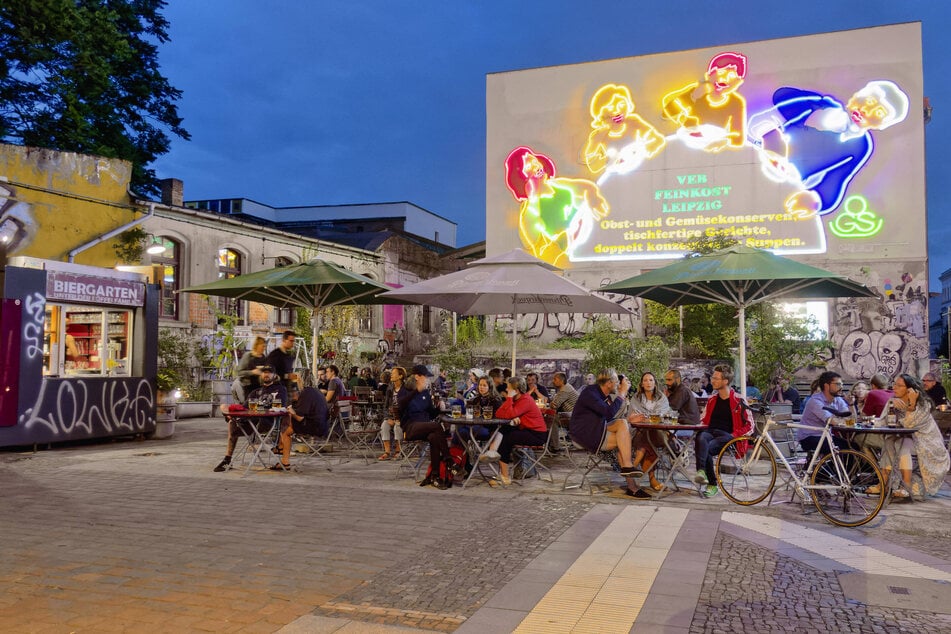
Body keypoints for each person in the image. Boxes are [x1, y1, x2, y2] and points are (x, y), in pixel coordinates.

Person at [749, 80, 909, 219]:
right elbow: (781, 97)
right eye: (868, 100)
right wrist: (818, 105)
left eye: (879, 112)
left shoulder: (861, 146)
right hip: (757, 157)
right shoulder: (824, 105)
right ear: (857, 95)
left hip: (789, 179)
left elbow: (838, 178)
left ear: (882, 125)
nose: (867, 110)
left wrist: (816, 200)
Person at [569, 368, 649, 499]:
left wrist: (629, 420)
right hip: (585, 435)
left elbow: (608, 417)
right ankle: (632, 485)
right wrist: (622, 393)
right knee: (622, 441)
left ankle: (628, 468)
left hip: (596, 429)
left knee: (623, 424)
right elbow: (608, 413)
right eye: (617, 382)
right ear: (609, 383)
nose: (618, 385)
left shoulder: (601, 395)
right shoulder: (590, 392)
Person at [873, 374, 950, 499]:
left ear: (910, 389)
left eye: (899, 385)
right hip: (905, 438)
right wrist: (867, 422)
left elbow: (909, 425)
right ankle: (883, 483)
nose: (895, 388)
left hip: (927, 442)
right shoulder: (893, 401)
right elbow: (882, 421)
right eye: (894, 384)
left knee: (903, 445)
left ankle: (906, 486)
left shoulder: (923, 404)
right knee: (889, 442)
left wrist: (912, 404)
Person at [661, 51, 748, 153]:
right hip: (685, 143)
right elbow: (666, 114)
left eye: (732, 76)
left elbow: (738, 137)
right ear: (708, 75)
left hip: (714, 149)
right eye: (720, 72)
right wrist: (692, 97)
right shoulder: (696, 92)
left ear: (739, 82)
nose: (724, 79)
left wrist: (723, 142)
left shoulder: (736, 102)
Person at [694, 364, 754, 498]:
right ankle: (702, 472)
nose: (712, 381)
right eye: (713, 378)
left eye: (716, 378)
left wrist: (735, 435)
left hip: (729, 436)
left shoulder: (739, 400)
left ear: (725, 381)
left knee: (706, 448)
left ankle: (712, 483)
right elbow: (703, 420)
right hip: (710, 432)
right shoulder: (712, 400)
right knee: (701, 438)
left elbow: (750, 426)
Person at [213, 366, 288, 472]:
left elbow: (280, 407)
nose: (266, 374)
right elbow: (245, 408)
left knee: (244, 419)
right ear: (261, 375)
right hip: (250, 422)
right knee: (232, 423)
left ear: (275, 376)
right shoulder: (255, 392)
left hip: (266, 422)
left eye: (269, 373)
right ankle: (227, 460)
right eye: (264, 372)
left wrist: (258, 409)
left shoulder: (280, 390)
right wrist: (228, 410)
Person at [398, 365, 452, 490]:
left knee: (434, 436)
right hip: (410, 427)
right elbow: (401, 405)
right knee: (437, 426)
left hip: (425, 427)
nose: (427, 379)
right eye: (425, 377)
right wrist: (416, 391)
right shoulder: (405, 390)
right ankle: (449, 461)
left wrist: (439, 408)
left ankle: (435, 476)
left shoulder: (426, 393)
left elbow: (431, 413)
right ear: (417, 377)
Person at [489, 377, 549, 486]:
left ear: (516, 391)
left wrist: (509, 399)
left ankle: (504, 475)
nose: (507, 390)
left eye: (509, 388)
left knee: (507, 438)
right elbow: (498, 414)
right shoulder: (517, 399)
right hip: (527, 430)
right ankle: (492, 451)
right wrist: (510, 403)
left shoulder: (526, 400)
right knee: (505, 429)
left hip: (537, 435)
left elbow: (509, 414)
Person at [627, 372, 672, 492]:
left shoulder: (662, 398)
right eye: (645, 380)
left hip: (659, 434)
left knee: (648, 435)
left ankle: (633, 465)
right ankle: (652, 480)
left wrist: (646, 418)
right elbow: (632, 416)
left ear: (655, 383)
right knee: (646, 440)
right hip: (639, 433)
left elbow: (661, 416)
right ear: (641, 384)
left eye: (651, 380)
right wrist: (648, 418)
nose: (648, 383)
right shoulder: (636, 398)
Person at [273, 380, 329, 471]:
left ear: (295, 392)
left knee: (287, 430)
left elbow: (299, 418)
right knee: (288, 420)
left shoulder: (305, 395)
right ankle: (281, 446)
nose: (291, 399)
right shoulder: (313, 391)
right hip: (324, 425)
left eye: (291, 396)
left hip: (316, 428)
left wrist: (291, 411)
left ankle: (284, 458)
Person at [797, 371, 852, 455]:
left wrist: (851, 405)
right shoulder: (815, 401)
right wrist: (845, 421)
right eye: (838, 384)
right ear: (826, 386)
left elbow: (850, 418)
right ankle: (829, 468)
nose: (841, 387)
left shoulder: (838, 399)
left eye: (842, 384)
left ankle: (834, 468)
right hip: (809, 437)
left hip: (826, 436)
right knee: (844, 448)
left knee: (853, 446)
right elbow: (832, 421)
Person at [377, 366, 407, 460]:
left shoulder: (406, 389)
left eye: (394, 373)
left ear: (400, 376)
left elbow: (409, 407)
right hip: (391, 416)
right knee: (384, 426)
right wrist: (387, 418)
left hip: (402, 417)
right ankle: (387, 452)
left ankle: (398, 451)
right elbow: (385, 406)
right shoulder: (390, 389)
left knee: (397, 427)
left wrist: (399, 418)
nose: (391, 375)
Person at [548, 372, 579, 452]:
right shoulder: (567, 387)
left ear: (561, 380)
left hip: (574, 417)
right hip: (574, 415)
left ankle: (555, 446)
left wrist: (551, 403)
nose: (553, 381)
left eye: (555, 379)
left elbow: (554, 405)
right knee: (551, 417)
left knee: (552, 419)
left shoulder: (565, 390)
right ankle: (552, 444)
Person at [232, 336, 267, 405]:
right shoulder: (248, 356)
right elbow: (239, 372)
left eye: (264, 346)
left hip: (259, 387)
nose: (264, 348)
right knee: (249, 407)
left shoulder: (263, 357)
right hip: (248, 387)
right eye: (262, 346)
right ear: (257, 345)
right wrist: (252, 372)